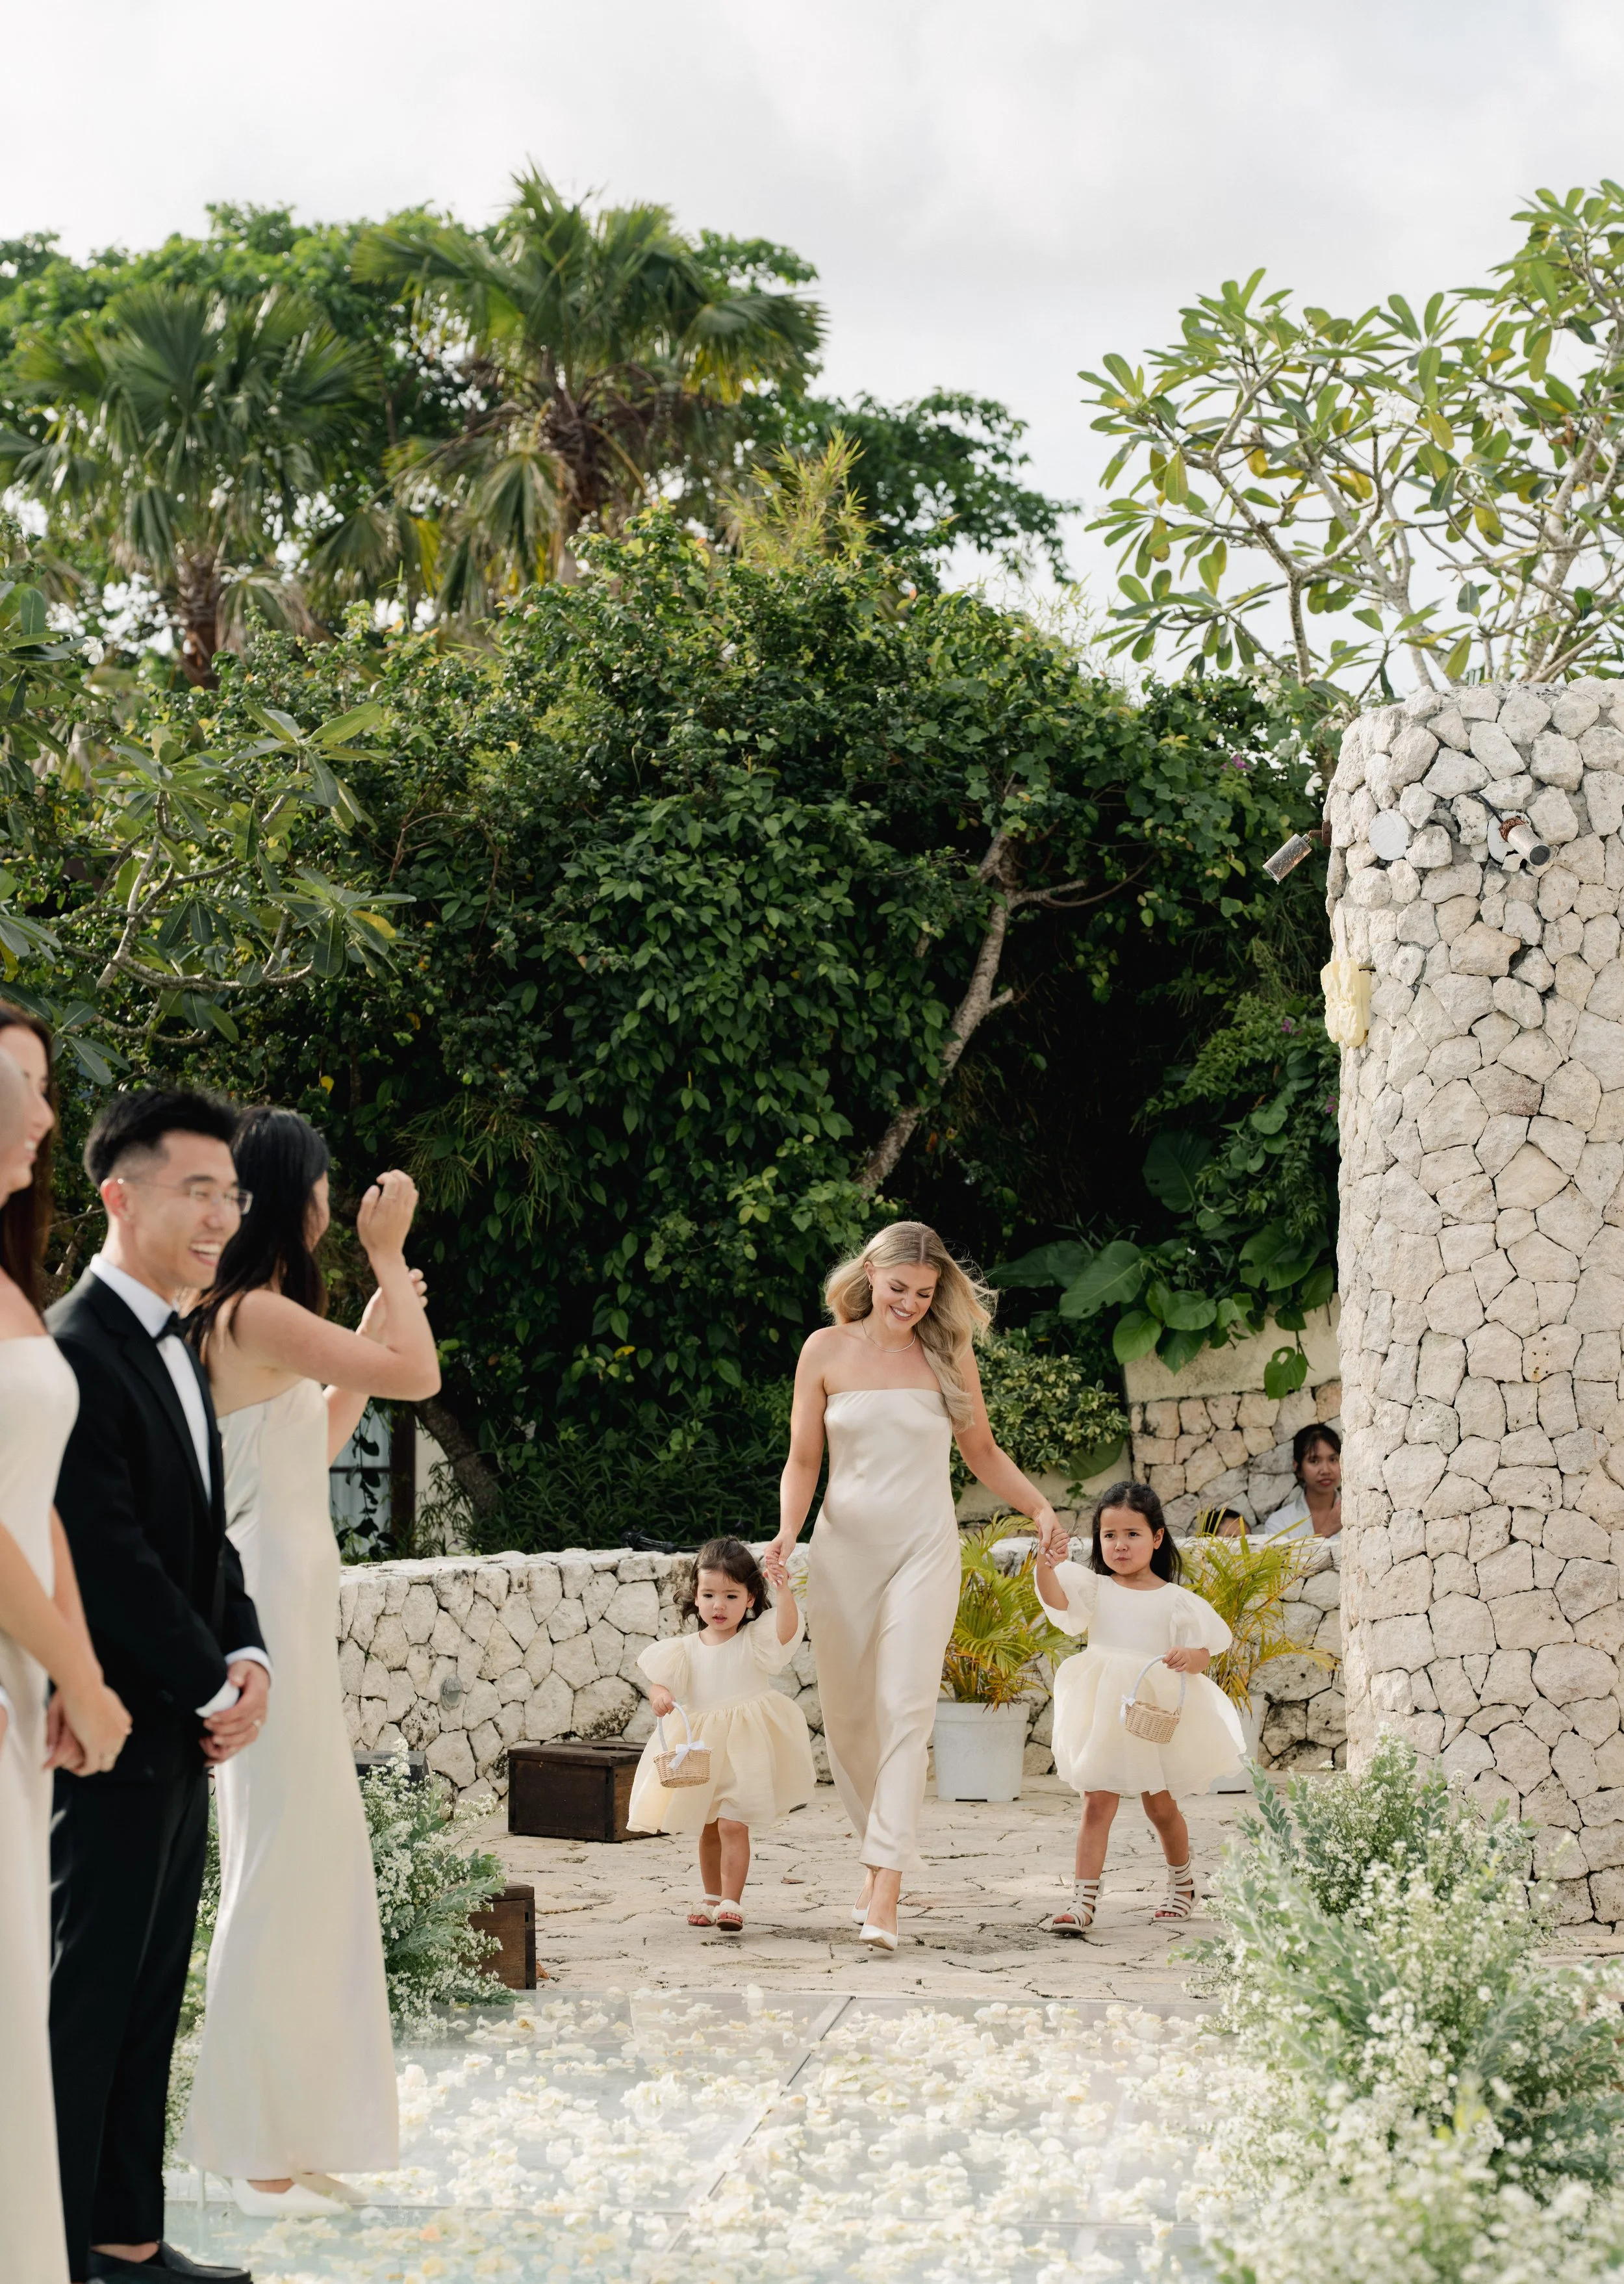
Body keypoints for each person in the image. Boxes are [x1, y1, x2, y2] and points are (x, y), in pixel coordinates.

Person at [178, 1110, 440, 2215]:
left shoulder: (249, 1317)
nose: (342, 1204)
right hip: (267, 1598)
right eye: (330, 1189)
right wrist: (389, 1265)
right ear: (303, 1198)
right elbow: (422, 1379)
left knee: (304, 1853)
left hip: (286, 1583)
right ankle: (244, 2147)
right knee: (284, 1854)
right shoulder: (254, 1312)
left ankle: (274, 2133)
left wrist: (375, 1326)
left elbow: (319, 1439)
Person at [47, 1089, 270, 2284]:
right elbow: (106, 1546)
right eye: (198, 1191)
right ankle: (54, 2249)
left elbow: (207, 1537)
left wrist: (251, 1658)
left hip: (179, 1728)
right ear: (120, 1196)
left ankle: (127, 2238)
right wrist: (206, 1681)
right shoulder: (75, 1343)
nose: (222, 1216)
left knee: (147, 1999)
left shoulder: (180, 1340)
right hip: (103, 1727)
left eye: (231, 1196)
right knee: (84, 2004)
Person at [767, 1222, 1066, 1950]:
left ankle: (885, 1884)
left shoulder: (947, 1351)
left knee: (905, 1709)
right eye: (899, 1288)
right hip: (843, 1555)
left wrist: (1037, 1505)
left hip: (923, 1552)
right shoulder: (824, 1350)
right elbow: (804, 1458)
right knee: (849, 1720)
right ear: (870, 1272)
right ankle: (878, 1854)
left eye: (925, 1293)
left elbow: (981, 1449)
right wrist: (784, 1533)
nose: (909, 1303)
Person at [0, 1023, 131, 2284]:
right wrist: (84, 1680)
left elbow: (34, 1498)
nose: (48, 1115)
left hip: (22, 1673)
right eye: (29, 1089)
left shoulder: (10, 1289)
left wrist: (70, 1666)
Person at [1035, 1481, 1243, 1935]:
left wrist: (1190, 1658)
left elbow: (1205, 1649)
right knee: (1096, 1801)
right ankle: (1083, 1900)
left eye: (1132, 1533)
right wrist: (1045, 1565)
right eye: (1109, 1536)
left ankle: (1183, 1883)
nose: (1120, 1545)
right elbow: (1056, 1599)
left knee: (1161, 1807)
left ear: (1157, 1537)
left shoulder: (1176, 1600)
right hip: (1105, 1711)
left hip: (1152, 1709)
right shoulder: (1094, 1588)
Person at [627, 1536, 815, 1930]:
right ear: (696, 1596)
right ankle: (711, 1895)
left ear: (750, 1599)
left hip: (745, 1747)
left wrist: (784, 1590)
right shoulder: (684, 1650)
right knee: (710, 1824)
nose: (719, 1605)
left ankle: (732, 1901)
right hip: (703, 1748)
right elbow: (659, 1684)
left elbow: (786, 1630)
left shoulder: (755, 1640)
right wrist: (660, 1695)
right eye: (709, 1594)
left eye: (731, 1596)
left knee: (734, 1822)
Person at [1256, 1424, 1342, 1541]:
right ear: (1298, 1468)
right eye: (1314, 1461)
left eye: (1333, 1460)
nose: (1326, 1470)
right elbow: (1283, 1560)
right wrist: (1326, 1531)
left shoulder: (1360, 1513)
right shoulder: (1280, 1522)